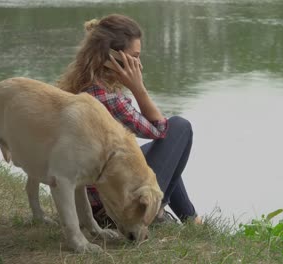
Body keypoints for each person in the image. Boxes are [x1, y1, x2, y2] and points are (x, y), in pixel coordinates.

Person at [57, 14, 201, 226]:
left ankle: (191, 220)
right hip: (113, 208)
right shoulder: (108, 100)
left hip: (90, 201)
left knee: (161, 151)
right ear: (114, 57)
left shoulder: (80, 88)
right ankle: (156, 213)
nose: (139, 64)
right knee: (180, 127)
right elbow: (162, 130)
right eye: (134, 56)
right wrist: (138, 88)